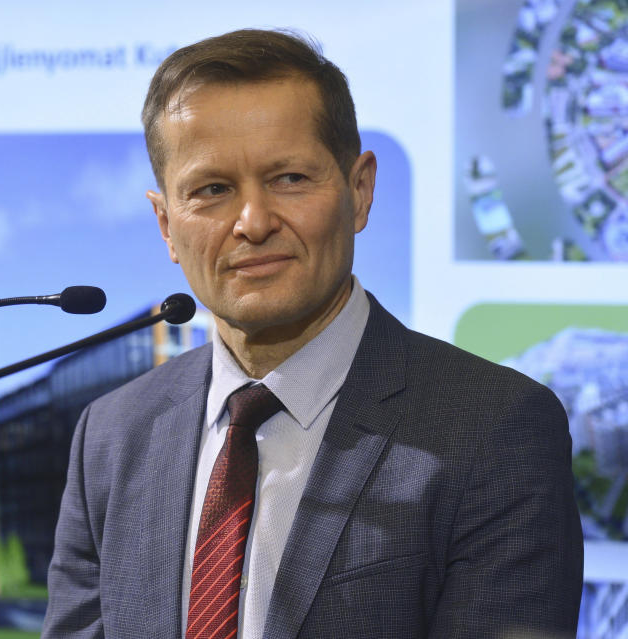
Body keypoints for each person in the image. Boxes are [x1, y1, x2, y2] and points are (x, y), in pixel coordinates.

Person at [42, 29, 583, 639]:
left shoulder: (494, 429)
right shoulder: (111, 435)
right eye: (212, 190)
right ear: (167, 224)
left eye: (290, 178)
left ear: (359, 191)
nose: (253, 222)